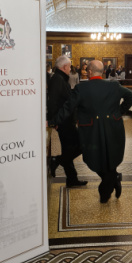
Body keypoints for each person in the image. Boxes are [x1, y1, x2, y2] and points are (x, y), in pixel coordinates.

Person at [48, 60, 132, 203]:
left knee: (94, 156)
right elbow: (131, 96)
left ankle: (106, 191)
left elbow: (67, 108)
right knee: (108, 157)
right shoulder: (114, 86)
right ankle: (113, 180)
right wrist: (118, 113)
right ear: (101, 72)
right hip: (112, 129)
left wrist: (52, 121)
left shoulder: (82, 88)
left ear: (89, 72)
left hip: (91, 130)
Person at [47, 55, 87, 187]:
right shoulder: (58, 79)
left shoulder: (60, 78)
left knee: (67, 150)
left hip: (65, 121)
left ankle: (72, 179)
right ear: (64, 67)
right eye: (69, 66)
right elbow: (52, 103)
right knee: (81, 145)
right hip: (64, 123)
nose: (70, 69)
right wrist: (54, 122)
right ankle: (57, 160)